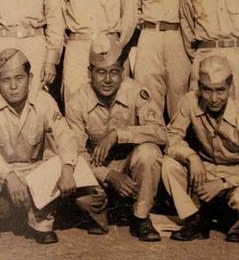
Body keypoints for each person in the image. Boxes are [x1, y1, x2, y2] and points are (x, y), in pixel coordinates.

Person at [0, 49, 80, 248]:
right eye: (5, 80)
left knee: (58, 162)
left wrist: (68, 169)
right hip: (1, 175)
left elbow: (66, 135)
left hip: (32, 171)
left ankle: (41, 223)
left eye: (19, 78)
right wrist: (9, 175)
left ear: (31, 77)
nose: (13, 86)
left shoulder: (44, 100)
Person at [66, 37, 166, 242]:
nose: (108, 80)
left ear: (122, 72)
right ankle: (105, 212)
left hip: (131, 171)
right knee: (84, 199)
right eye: (100, 72)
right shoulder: (77, 101)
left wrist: (118, 135)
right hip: (98, 172)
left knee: (149, 152)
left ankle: (141, 216)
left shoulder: (136, 91)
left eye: (114, 72)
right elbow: (75, 153)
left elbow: (161, 133)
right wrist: (109, 175)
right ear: (89, 73)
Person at [162, 55, 239, 242]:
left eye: (220, 90)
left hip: (236, 176)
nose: (213, 98)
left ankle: (232, 218)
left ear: (230, 85)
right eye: (207, 90)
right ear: (199, 86)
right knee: (169, 164)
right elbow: (171, 137)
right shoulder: (189, 101)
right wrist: (191, 157)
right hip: (204, 170)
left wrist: (223, 183)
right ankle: (194, 218)